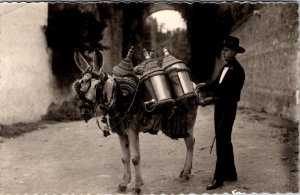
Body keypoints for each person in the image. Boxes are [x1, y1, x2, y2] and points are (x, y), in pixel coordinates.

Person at [199, 36, 246, 190]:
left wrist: (210, 100)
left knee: (221, 141)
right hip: (220, 108)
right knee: (225, 140)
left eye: (226, 51)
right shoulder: (225, 67)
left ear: (234, 52)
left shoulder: (238, 71)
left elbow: (229, 96)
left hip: (228, 109)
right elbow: (216, 84)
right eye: (223, 50)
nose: (223, 53)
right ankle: (231, 173)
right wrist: (204, 86)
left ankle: (218, 179)